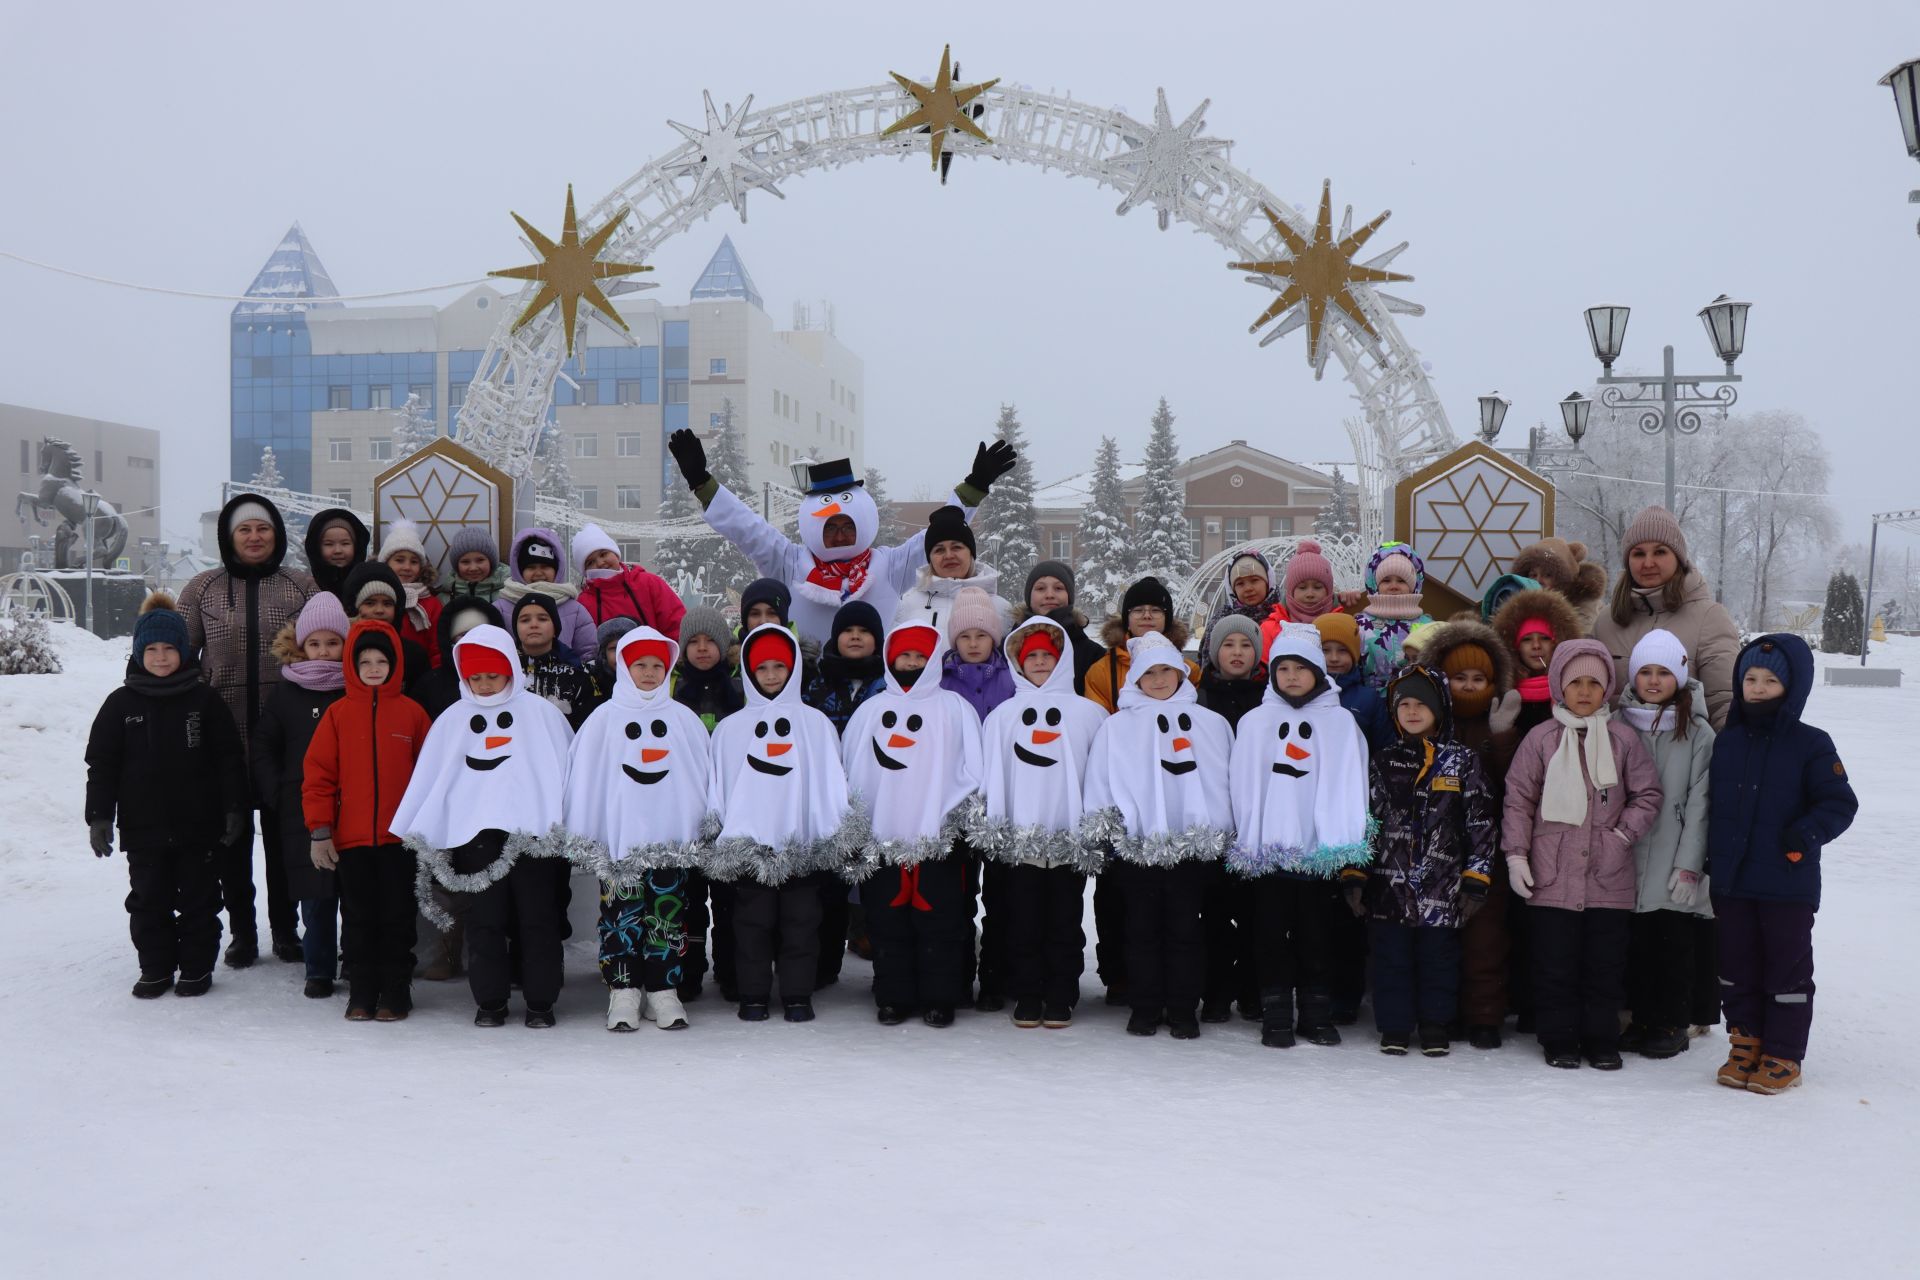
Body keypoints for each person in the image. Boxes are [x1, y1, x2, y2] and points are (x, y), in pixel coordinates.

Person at [393, 624, 575, 1028]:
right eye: (476, 677)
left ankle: (541, 1001)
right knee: (484, 921)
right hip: (476, 839)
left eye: (493, 675)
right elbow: (434, 776)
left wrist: (567, 821)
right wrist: (422, 826)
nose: (486, 685)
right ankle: (490, 1001)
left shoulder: (541, 714)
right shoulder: (454, 720)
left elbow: (564, 769)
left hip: (534, 838)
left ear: (511, 668)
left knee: (538, 919)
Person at [663, 437, 1017, 645]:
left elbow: (940, 532)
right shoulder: (789, 562)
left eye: (847, 525)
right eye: (830, 528)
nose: (840, 535)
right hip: (806, 688)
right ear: (814, 529)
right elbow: (746, 527)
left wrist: (974, 487)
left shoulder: (888, 565)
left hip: (878, 687)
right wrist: (702, 483)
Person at [1706, 634, 1857, 1094]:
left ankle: (1784, 1052)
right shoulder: (1727, 742)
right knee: (1735, 964)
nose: (1757, 687)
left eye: (1769, 680)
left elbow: (1839, 803)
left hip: (1787, 881)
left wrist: (1803, 837)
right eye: (1749, 678)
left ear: (1792, 688)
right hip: (1732, 880)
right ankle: (1745, 1040)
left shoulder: (1811, 744)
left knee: (1785, 969)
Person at [1502, 640, 1662, 1070]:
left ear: (1608, 688)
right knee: (1556, 966)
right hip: (1551, 878)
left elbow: (1647, 795)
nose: (1585, 692)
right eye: (1576, 683)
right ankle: (1559, 1039)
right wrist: (1516, 854)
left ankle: (1601, 1038)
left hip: (1608, 880)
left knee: (1603, 966)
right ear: (1560, 686)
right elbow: (1518, 799)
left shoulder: (1622, 739)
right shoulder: (1541, 740)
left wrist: (1622, 838)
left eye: (1594, 683)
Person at [177, 492, 315, 968]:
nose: (255, 537)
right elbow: (176, 654)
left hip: (284, 738)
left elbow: (324, 651)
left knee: (283, 840)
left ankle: (285, 929)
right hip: (224, 737)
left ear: (276, 535)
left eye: (263, 529)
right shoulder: (203, 588)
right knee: (230, 840)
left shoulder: (301, 586)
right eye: (245, 530)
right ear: (229, 537)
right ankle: (241, 931)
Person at [85, 592, 246, 999]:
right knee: (148, 901)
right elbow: (102, 766)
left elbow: (229, 759)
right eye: (151, 649)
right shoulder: (119, 705)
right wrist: (99, 816)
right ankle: (155, 968)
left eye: (169, 649)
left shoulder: (204, 700)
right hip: (144, 829)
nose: (160, 657)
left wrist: (233, 808)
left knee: (200, 900)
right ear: (139, 653)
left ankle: (195, 967)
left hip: (199, 826)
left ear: (184, 652)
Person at [1082, 632, 1235, 1040]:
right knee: (1141, 931)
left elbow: (1223, 780)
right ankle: (1146, 1005)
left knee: (1187, 931)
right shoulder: (1116, 727)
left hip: (1193, 848)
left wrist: (1219, 829)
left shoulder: (1211, 723)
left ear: (1181, 672)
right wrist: (1107, 831)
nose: (1159, 679)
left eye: (1167, 669)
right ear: (1136, 678)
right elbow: (1100, 780)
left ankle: (1184, 1007)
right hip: (1137, 849)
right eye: (1149, 672)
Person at [1228, 625, 1372, 1049]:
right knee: (1270, 936)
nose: (1291, 676)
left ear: (1318, 673)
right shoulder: (1256, 722)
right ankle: (1275, 1013)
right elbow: (1243, 784)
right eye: (1283, 668)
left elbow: (1350, 782)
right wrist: (1249, 840)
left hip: (1319, 854)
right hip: (1269, 855)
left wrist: (1344, 843)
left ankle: (1315, 1012)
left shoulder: (1340, 722)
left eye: (1301, 668)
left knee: (1318, 938)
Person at [564, 627, 714, 1033]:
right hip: (619, 842)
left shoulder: (682, 719)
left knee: (668, 915)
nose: (648, 673)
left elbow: (701, 776)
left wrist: (701, 827)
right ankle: (624, 989)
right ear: (625, 668)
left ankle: (663, 990)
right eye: (639, 665)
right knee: (620, 915)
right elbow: (586, 777)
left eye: (656, 666)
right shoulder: (604, 719)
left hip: (671, 842)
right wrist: (585, 829)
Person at [1343, 665, 1497, 1057]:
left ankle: (1434, 1026)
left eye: (1421, 705)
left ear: (1439, 709)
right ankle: (1394, 1027)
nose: (1412, 712)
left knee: (1438, 962)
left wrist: (1476, 877)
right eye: (1404, 705)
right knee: (1390, 961)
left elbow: (1480, 821)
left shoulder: (1462, 761)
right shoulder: (1382, 761)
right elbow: (1367, 820)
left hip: (1442, 890)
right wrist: (1356, 874)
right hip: (1387, 890)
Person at [706, 624, 856, 1022]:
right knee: (751, 928)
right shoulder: (731, 729)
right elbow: (719, 785)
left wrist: (830, 831)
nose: (771, 675)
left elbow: (829, 779)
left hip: (801, 846)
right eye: (762, 668)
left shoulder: (815, 724)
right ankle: (753, 995)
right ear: (749, 672)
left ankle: (797, 995)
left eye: (779, 666)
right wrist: (722, 831)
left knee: (801, 927)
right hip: (749, 849)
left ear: (793, 669)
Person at [844, 622, 985, 1027]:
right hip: (882, 840)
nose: (911, 663)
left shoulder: (955, 708)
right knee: (887, 925)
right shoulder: (871, 711)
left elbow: (971, 768)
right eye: (904, 655)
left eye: (920, 657)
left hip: (939, 841)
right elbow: (853, 768)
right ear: (891, 659)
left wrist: (960, 821)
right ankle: (894, 996)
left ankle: (941, 997)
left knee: (942, 923)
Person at [972, 619, 1106, 1028]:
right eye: (1032, 656)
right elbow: (993, 774)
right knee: (1023, 922)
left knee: (1065, 923)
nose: (1041, 662)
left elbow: (1098, 774)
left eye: (1048, 655)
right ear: (1018, 661)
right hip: (1020, 843)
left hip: (1069, 840)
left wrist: (1092, 829)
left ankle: (1061, 993)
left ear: (1063, 657)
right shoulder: (1003, 715)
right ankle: (1028, 993)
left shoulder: (1089, 714)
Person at [300, 620, 431, 1021]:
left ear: (395, 665)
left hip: (399, 843)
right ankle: (361, 991)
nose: (373, 668)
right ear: (352, 666)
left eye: (381, 661)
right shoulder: (338, 715)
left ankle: (395, 991)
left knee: (396, 918)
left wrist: (427, 833)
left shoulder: (412, 714)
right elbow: (318, 776)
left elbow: (430, 777)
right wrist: (321, 832)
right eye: (365, 661)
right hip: (351, 841)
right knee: (358, 919)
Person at [1084, 575, 1196, 1008]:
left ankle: (1176, 984)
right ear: (1125, 619)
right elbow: (1099, 725)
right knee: (1118, 901)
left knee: (1176, 912)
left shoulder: (1188, 671)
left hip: (1170, 797)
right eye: (1138, 610)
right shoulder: (1103, 669)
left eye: (1155, 609)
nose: (1147, 615)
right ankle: (1120, 976)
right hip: (1128, 792)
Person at [1415, 618, 1521, 1049]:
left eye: (1480, 678)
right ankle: (1444, 1012)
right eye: (1460, 678)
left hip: (1485, 849)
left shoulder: (1496, 727)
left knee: (1485, 939)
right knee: (1440, 938)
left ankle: (1483, 1015)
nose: (1470, 686)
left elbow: (1512, 780)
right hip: (1434, 848)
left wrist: (1502, 737)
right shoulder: (1430, 724)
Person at [1617, 629, 1717, 1059]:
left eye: (1663, 672)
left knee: (1673, 947)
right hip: (1627, 858)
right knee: (1636, 946)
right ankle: (1641, 1018)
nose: (1654, 681)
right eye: (1645, 672)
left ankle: (1672, 1021)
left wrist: (1689, 865)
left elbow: (1701, 804)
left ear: (1679, 676)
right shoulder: (1618, 724)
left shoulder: (1697, 733)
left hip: (1674, 860)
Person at [253, 593, 352, 998]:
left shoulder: (357, 687)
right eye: (315, 643)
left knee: (356, 893)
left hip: (355, 808)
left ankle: (358, 960)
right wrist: (278, 793)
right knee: (316, 896)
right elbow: (263, 746)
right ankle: (319, 968)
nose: (324, 652)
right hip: (304, 813)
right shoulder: (286, 693)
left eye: (333, 643)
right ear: (301, 646)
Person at [1592, 506, 1740, 730]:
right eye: (1638, 553)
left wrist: (1728, 755)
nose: (1648, 563)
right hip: (1614, 760)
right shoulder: (1606, 621)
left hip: (1685, 760)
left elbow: (1724, 701)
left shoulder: (1710, 617)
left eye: (1660, 552)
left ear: (1678, 558)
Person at [801, 600, 887, 988]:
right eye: (848, 630)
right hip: (830, 800)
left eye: (865, 632)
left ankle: (888, 967)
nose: (855, 636)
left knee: (879, 887)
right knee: (829, 889)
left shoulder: (888, 686)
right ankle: (824, 965)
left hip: (878, 798)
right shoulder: (817, 687)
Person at [671, 604, 744, 1000]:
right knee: (690, 899)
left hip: (730, 810)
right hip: (689, 808)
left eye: (709, 642)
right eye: (693, 642)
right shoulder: (672, 689)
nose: (702, 649)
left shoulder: (738, 689)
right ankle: (690, 970)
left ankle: (732, 970)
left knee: (730, 898)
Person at [1196, 614, 1267, 1022]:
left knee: (1257, 913)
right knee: (1216, 913)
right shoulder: (1198, 698)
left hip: (1258, 823)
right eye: (1228, 645)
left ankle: (1253, 990)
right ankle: (1217, 991)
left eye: (1245, 645)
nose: (1236, 653)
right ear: (1213, 651)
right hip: (1215, 821)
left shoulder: (1269, 700)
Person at [893, 505, 1016, 633]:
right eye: (939, 550)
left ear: (971, 553)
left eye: (956, 547)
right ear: (930, 559)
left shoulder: (1002, 609)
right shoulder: (906, 606)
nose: (949, 555)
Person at [1492, 587, 1584, 740]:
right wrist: (1502, 736)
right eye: (1526, 639)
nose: (1536, 645)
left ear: (1558, 643)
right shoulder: (1502, 693)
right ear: (1515, 647)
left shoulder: (1574, 689)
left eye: (1545, 638)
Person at [571, 524, 686, 641]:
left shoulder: (649, 584)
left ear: (616, 554)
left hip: (654, 657)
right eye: (590, 562)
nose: (600, 563)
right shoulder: (584, 603)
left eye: (603, 554)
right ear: (585, 572)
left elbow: (676, 626)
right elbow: (585, 646)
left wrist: (673, 656)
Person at [496, 527, 597, 659]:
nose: (538, 573)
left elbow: (589, 652)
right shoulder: (502, 608)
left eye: (545, 567)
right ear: (519, 571)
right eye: (531, 567)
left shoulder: (574, 609)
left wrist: (579, 676)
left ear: (557, 569)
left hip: (564, 677)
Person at [1012, 560, 1105, 694]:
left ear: (1069, 596)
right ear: (1029, 596)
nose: (1050, 595)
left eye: (1058, 588)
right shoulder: (1009, 650)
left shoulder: (1093, 655)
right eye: (1040, 588)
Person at [341, 562, 431, 699]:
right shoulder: (342, 650)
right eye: (370, 603)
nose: (379, 610)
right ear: (355, 608)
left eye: (387, 603)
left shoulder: (414, 655)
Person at [1354, 542, 1433, 691]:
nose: (1394, 586)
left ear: (1413, 585)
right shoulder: (1361, 625)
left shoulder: (1426, 625)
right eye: (1386, 580)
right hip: (1372, 703)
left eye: (1402, 580)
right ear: (1375, 584)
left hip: (1413, 702)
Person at [510, 594, 596, 730]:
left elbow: (588, 729)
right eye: (525, 620)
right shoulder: (505, 672)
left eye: (542, 619)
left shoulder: (578, 672)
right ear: (516, 629)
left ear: (555, 628)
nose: (534, 625)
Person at [1313, 613, 1391, 754]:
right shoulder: (1301, 694)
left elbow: (1384, 750)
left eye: (1343, 650)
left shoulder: (1368, 699)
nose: (1334, 658)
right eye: (1325, 650)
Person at [375, 519, 441, 665]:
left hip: (420, 676)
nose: (407, 567)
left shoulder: (431, 603)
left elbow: (437, 648)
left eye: (414, 562)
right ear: (386, 563)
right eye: (399, 560)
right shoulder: (374, 597)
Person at [1511, 536, 1608, 634]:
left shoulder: (1585, 603)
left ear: (1562, 579)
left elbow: (1579, 640)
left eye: (1548, 575)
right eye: (1533, 575)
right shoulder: (1522, 603)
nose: (1538, 580)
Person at [302, 508, 369, 605]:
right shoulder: (306, 589)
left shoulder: (367, 586)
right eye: (329, 544)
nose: (338, 550)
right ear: (317, 548)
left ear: (356, 546)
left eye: (345, 543)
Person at [435, 527, 509, 605]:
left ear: (491, 562)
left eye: (480, 560)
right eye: (465, 562)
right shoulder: (444, 599)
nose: (473, 568)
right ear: (457, 566)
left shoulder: (507, 594)